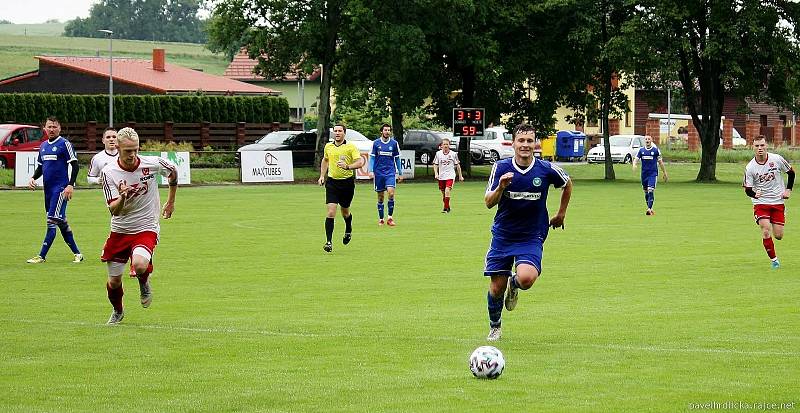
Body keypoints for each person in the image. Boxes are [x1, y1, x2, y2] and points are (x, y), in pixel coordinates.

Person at [482, 123, 573, 341]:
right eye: (521, 141)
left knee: (526, 278)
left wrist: (561, 214)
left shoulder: (546, 169)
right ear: (513, 143)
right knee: (496, 287)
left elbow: (567, 184)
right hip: (504, 234)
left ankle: (515, 284)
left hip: (532, 234)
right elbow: (488, 202)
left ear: (536, 144)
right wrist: (501, 187)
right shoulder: (501, 168)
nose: (525, 145)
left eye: (529, 141)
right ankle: (495, 326)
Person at [99, 127, 178, 324]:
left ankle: (144, 282)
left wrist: (171, 201)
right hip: (120, 229)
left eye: (135, 149)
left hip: (146, 225)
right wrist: (124, 196)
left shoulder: (150, 164)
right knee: (114, 281)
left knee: (140, 265)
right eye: (127, 150)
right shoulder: (109, 173)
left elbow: (173, 172)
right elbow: (114, 210)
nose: (132, 154)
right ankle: (118, 311)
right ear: (117, 147)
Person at [26, 116, 83, 264]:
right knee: (61, 222)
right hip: (48, 191)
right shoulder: (43, 146)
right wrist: (33, 178)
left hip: (61, 189)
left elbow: (75, 166)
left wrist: (70, 185)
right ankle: (78, 253)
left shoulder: (65, 144)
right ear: (44, 128)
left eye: (54, 127)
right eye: (49, 126)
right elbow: (40, 167)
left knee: (51, 221)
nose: (51, 129)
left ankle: (41, 256)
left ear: (59, 128)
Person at [743, 135, 794, 270]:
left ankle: (779, 217)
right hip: (761, 203)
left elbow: (791, 172)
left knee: (778, 236)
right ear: (753, 147)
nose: (760, 148)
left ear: (766, 146)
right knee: (766, 230)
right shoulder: (750, 167)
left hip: (778, 202)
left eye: (762, 145)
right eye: (757, 146)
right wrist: (755, 194)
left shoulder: (776, 159)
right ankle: (774, 260)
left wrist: (788, 190)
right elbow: (747, 190)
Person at [318, 124, 365, 252]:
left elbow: (360, 162)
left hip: (347, 183)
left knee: (345, 212)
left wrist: (347, 166)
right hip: (332, 183)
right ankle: (328, 242)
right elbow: (325, 160)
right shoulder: (329, 146)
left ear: (344, 133)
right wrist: (322, 175)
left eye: (340, 131)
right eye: (335, 131)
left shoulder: (350, 147)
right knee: (331, 212)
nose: (337, 133)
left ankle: (348, 228)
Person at [368, 123, 402, 225]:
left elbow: (397, 159)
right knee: (381, 197)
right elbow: (372, 158)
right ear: (381, 131)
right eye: (385, 130)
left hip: (390, 173)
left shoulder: (394, 144)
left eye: (389, 130)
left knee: (391, 193)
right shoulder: (376, 143)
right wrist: (370, 170)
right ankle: (381, 219)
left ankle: (390, 218)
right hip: (378, 173)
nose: (387, 132)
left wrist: (400, 173)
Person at [632, 135, 668, 215]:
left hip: (653, 174)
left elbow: (660, 162)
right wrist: (634, 164)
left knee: (650, 190)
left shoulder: (655, 150)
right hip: (644, 174)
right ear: (644, 141)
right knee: (646, 192)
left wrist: (664, 172)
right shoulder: (641, 150)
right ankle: (650, 209)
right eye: (646, 139)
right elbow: (636, 159)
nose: (647, 140)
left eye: (649, 139)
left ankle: (649, 209)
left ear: (651, 140)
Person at [432, 137, 464, 213]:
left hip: (450, 175)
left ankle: (445, 209)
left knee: (447, 190)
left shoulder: (453, 154)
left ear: (449, 145)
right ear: (441, 146)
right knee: (443, 193)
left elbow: (458, 165)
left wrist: (460, 176)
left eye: (447, 144)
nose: (445, 146)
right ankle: (447, 206)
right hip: (441, 176)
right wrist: (436, 173)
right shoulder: (438, 154)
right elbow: (435, 164)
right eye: (444, 144)